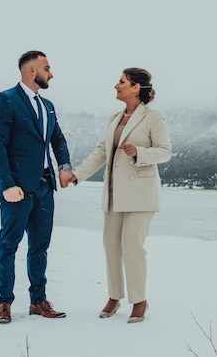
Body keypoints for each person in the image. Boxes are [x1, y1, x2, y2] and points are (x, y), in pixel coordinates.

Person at [63, 67, 172, 323]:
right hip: (114, 193)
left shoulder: (154, 117)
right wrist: (77, 174)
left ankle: (139, 300)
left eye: (121, 82)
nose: (116, 85)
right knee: (111, 245)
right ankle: (114, 295)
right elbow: (101, 152)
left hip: (141, 193)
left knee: (132, 246)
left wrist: (139, 152)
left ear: (136, 87)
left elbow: (165, 152)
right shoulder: (114, 117)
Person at [0, 50, 74, 324]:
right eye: (47, 68)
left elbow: (57, 140)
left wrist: (64, 167)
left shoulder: (48, 105)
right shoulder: (5, 100)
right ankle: (4, 303)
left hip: (45, 187)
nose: (52, 73)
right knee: (8, 245)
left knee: (40, 246)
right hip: (17, 190)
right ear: (32, 71)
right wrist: (7, 185)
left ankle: (38, 301)